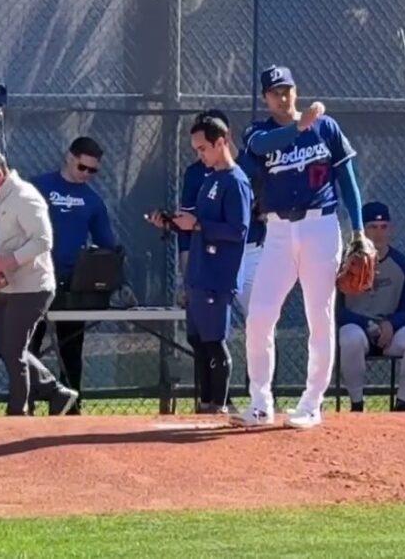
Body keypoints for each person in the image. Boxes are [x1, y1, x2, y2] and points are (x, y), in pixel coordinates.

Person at [232, 65, 366, 430]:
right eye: (275, 91)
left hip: (320, 227)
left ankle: (312, 403)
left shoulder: (327, 127)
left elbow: (348, 182)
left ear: (296, 89)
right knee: (259, 316)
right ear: (264, 98)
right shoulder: (258, 132)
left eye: (287, 88)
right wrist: (298, 126)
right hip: (276, 232)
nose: (282, 96)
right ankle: (260, 403)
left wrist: (359, 232)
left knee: (319, 318)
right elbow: (258, 149)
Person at [0, 149, 79, 417]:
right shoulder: (0, 198)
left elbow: (43, 241)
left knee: (14, 349)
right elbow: (8, 244)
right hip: (10, 285)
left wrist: (5, 263)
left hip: (33, 287)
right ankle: (57, 393)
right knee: (5, 349)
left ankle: (18, 413)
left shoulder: (25, 197)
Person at [153, 112, 252, 414]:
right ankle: (205, 401)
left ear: (221, 142)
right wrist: (173, 223)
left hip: (217, 276)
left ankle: (218, 404)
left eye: (203, 148)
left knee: (213, 341)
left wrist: (197, 225)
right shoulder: (210, 178)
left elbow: (238, 230)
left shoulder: (236, 182)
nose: (200, 155)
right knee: (198, 341)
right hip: (198, 273)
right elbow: (199, 222)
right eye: (196, 150)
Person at [26, 137, 116, 414]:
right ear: (69, 157)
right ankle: (24, 402)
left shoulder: (92, 200)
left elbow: (107, 244)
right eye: (82, 167)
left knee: (71, 347)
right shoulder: (39, 187)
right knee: (29, 344)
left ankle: (70, 404)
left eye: (93, 171)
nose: (86, 174)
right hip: (36, 279)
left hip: (72, 285)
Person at [336, 202, 405, 412]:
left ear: (391, 229)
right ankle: (357, 404)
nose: (379, 233)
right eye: (372, 227)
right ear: (362, 230)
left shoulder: (402, 264)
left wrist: (391, 324)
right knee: (349, 337)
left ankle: (403, 403)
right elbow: (335, 311)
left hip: (390, 335)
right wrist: (366, 323)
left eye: (384, 227)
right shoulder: (346, 264)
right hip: (359, 330)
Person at [177, 110, 267, 316]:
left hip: (251, 250)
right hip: (211, 254)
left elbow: (249, 222)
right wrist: (187, 278)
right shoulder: (196, 174)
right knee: (207, 328)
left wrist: (263, 209)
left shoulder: (251, 166)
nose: (200, 153)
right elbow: (187, 230)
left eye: (204, 145)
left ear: (223, 138)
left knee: (259, 320)